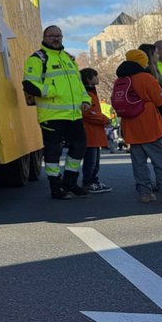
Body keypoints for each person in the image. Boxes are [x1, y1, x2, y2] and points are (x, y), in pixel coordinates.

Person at [22, 25, 90, 199]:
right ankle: (56, 187)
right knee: (53, 152)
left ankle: (71, 183)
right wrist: (52, 91)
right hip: (51, 116)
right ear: (44, 37)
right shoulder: (38, 59)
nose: (55, 38)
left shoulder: (69, 58)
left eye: (58, 35)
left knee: (79, 148)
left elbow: (78, 85)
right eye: (51, 36)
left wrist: (85, 100)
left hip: (74, 115)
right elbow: (29, 84)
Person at [112, 49, 162, 204]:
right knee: (161, 162)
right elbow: (161, 102)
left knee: (139, 163)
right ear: (142, 61)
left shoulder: (120, 80)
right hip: (150, 125)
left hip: (130, 127)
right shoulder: (146, 78)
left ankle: (145, 194)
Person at [79, 68, 112, 193]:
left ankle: (93, 181)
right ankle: (88, 182)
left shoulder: (91, 93)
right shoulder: (87, 94)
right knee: (91, 161)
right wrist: (104, 119)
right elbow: (88, 113)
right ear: (88, 79)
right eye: (95, 76)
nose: (97, 78)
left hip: (94, 132)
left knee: (94, 161)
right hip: (90, 132)